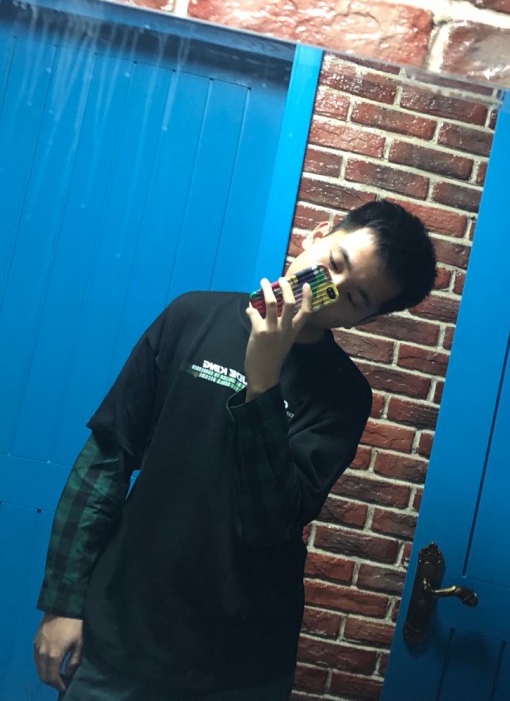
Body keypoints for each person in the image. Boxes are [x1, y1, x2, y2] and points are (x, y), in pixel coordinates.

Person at [33, 199, 437, 700]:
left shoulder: (344, 396)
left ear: (366, 320)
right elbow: (105, 461)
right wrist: (63, 601)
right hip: (121, 631)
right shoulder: (191, 316)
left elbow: (268, 521)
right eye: (334, 262)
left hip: (240, 663)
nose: (327, 289)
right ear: (317, 235)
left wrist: (262, 379)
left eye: (353, 299)